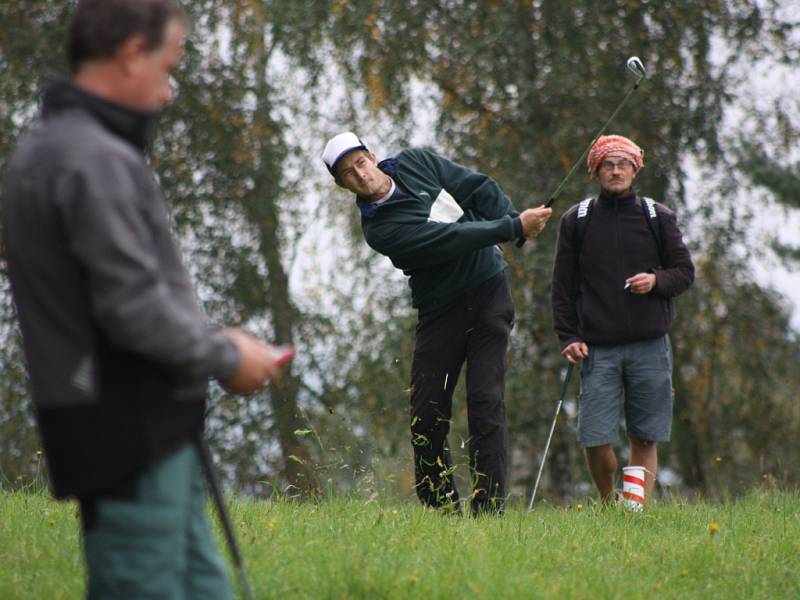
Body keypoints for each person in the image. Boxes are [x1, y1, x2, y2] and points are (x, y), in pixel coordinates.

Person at [1, 1, 290, 597]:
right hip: (125, 432)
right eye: (168, 64)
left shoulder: (65, 149)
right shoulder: (89, 158)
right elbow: (133, 309)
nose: (170, 91)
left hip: (152, 427)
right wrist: (228, 355)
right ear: (132, 52)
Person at [322, 132, 552, 514]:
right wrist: (512, 229)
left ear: (373, 156)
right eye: (348, 174)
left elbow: (476, 187)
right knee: (426, 414)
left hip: (488, 292)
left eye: (361, 163)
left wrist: (513, 221)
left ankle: (489, 513)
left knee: (485, 402)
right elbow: (449, 237)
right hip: (439, 310)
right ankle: (443, 510)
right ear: (342, 185)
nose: (360, 175)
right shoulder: (380, 230)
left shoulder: (416, 162)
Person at [551, 134, 694, 506]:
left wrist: (656, 280)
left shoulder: (656, 216)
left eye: (623, 164)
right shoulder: (576, 220)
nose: (616, 171)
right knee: (596, 439)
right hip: (598, 349)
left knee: (644, 437)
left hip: (651, 346)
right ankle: (606, 501)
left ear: (635, 169)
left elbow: (684, 272)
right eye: (608, 165)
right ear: (596, 171)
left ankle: (634, 509)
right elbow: (562, 288)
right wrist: (568, 336)